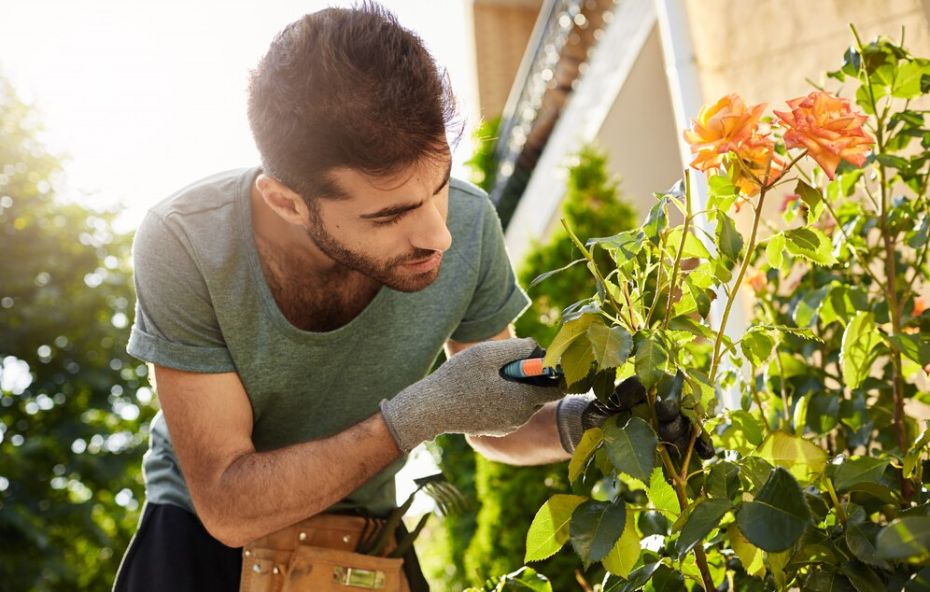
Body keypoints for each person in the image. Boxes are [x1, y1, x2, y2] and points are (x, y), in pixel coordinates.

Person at [110, 4, 627, 591]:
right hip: (199, 549)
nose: (440, 235)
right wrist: (417, 414)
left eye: (437, 188)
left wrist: (598, 420)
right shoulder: (186, 242)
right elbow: (230, 507)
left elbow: (493, 422)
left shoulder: (472, 221)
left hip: (368, 539)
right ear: (287, 202)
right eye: (389, 215)